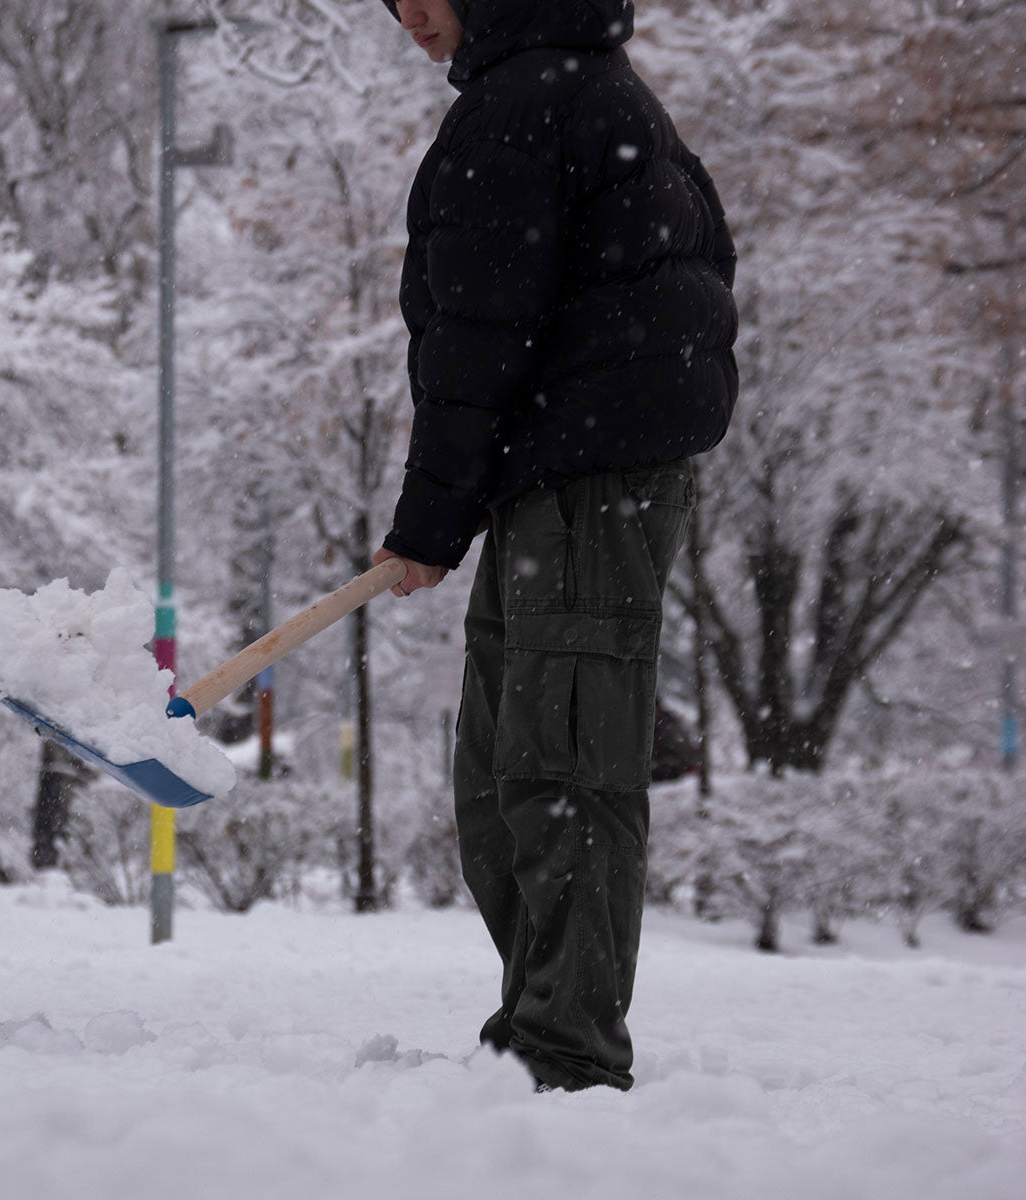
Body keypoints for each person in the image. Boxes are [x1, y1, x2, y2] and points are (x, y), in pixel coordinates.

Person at [371, 0, 737, 1093]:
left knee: (561, 763)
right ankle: (536, 1030)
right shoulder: (568, 86)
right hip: (556, 470)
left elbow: (480, 330)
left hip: (587, 472)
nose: (409, 17)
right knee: (497, 774)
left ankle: (566, 1057)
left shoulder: (533, 97)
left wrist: (433, 519)